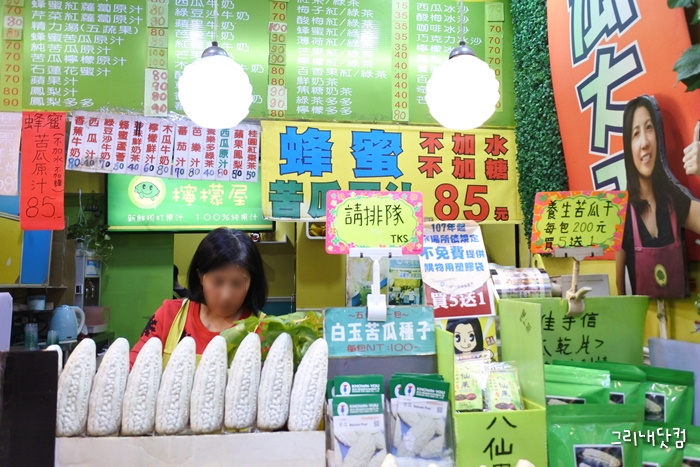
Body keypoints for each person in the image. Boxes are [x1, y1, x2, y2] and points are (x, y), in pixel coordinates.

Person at [130, 228, 267, 367]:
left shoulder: (263, 330)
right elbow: (134, 367)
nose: (226, 295)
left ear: (252, 282)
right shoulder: (169, 315)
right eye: (217, 282)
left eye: (237, 283)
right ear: (201, 277)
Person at [615, 95, 700, 298]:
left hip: (680, 313)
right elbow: (618, 289)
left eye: (649, 128)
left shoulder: (674, 200)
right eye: (636, 134)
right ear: (628, 146)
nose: (644, 142)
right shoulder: (621, 213)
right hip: (643, 316)